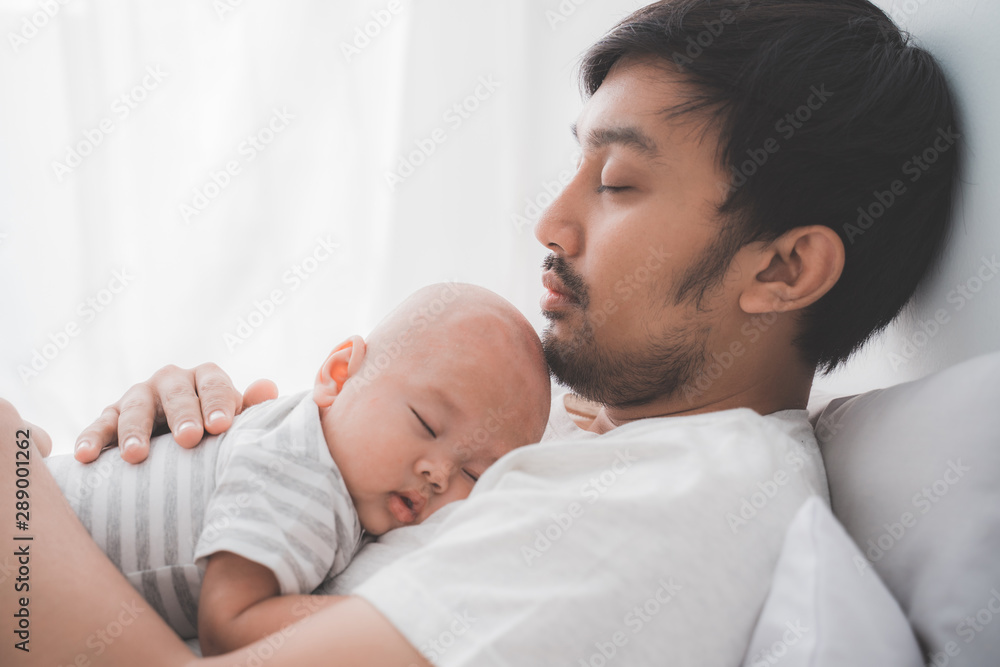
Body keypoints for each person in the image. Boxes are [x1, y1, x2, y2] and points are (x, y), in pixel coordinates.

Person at [1, 0, 960, 665]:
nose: (551, 222)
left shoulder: (687, 496)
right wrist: (170, 475)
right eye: (575, 168)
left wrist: (14, 493)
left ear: (783, 268)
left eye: (619, 183)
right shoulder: (560, 443)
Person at [41, 283, 550, 655]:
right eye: (425, 422)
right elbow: (229, 622)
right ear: (338, 375)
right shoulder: (308, 475)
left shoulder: (317, 445)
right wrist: (402, 618)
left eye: (475, 473)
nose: (439, 472)